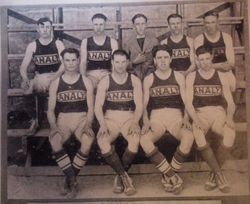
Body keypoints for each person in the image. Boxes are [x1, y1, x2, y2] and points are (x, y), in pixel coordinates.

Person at [140, 44, 194, 195]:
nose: (162, 61)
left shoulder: (178, 76)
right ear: (155, 61)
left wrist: (186, 118)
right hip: (156, 116)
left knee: (189, 136)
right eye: (159, 58)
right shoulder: (149, 78)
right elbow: (143, 105)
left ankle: (167, 175)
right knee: (144, 140)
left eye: (165, 57)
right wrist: (145, 121)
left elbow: (186, 102)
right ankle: (172, 176)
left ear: (170, 59)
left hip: (175, 116)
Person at [185, 46, 235, 193]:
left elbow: (230, 102)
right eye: (201, 60)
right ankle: (219, 175)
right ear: (197, 60)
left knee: (230, 135)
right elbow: (188, 102)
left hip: (219, 113)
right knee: (198, 133)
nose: (205, 62)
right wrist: (195, 119)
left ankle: (213, 175)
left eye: (207, 58)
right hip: (200, 113)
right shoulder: (192, 76)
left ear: (212, 57)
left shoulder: (221, 76)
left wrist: (230, 117)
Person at [47, 48, 95, 198]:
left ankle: (68, 179)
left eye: (74, 60)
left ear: (78, 60)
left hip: (82, 118)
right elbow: (50, 110)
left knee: (88, 140)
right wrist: (53, 127)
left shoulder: (86, 81)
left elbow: (91, 108)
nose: (71, 63)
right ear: (62, 61)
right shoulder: (56, 83)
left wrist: (88, 124)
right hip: (63, 119)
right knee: (54, 140)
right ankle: (73, 180)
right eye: (67, 60)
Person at [95, 49, 143, 196]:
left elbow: (139, 105)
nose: (120, 65)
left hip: (129, 116)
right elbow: (98, 106)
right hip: (110, 118)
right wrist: (102, 124)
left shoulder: (134, 80)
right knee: (103, 142)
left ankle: (120, 175)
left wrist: (135, 122)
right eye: (117, 62)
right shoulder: (105, 80)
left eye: (123, 62)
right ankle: (124, 177)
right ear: (112, 62)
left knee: (135, 141)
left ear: (128, 62)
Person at [20, 17, 65, 132]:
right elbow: (23, 66)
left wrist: (55, 77)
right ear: (38, 29)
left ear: (51, 29)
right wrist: (25, 79)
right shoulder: (33, 45)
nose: (45, 30)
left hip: (56, 76)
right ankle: (34, 119)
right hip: (40, 76)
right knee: (26, 89)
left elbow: (64, 65)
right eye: (42, 27)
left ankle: (60, 121)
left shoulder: (58, 43)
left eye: (47, 27)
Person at [194, 11, 236, 92]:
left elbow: (231, 63)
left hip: (224, 72)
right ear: (204, 24)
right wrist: (219, 65)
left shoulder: (226, 37)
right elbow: (200, 65)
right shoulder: (199, 39)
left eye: (213, 22)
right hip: (206, 72)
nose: (210, 26)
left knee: (231, 84)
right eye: (207, 23)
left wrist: (213, 66)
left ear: (217, 23)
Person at [80, 13, 118, 88]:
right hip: (91, 74)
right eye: (96, 24)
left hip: (106, 74)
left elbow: (115, 63)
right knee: (89, 86)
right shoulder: (85, 41)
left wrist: (113, 78)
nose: (98, 27)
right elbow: (83, 63)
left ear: (105, 25)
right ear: (92, 25)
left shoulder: (112, 42)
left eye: (101, 24)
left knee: (105, 87)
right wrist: (83, 79)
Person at [124, 13, 158, 80]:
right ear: (133, 26)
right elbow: (123, 64)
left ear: (146, 25)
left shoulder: (154, 41)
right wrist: (134, 62)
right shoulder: (128, 42)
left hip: (150, 75)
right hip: (134, 76)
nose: (140, 27)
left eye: (143, 24)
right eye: (137, 24)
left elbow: (158, 61)